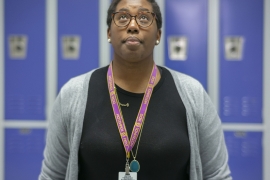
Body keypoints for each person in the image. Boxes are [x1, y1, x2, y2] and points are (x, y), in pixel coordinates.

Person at [39, 0, 232, 179]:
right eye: (122, 17)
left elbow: (216, 174)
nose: (132, 26)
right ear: (109, 33)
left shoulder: (193, 94)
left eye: (144, 18)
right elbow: (52, 175)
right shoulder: (73, 94)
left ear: (158, 35)